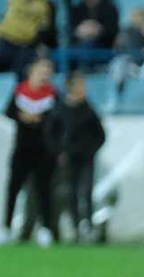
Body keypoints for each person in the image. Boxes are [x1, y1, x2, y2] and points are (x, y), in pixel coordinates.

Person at [0, 57, 59, 246]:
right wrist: (22, 116)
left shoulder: (53, 95)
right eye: (42, 70)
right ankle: (5, 228)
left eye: (48, 71)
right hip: (22, 148)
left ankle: (46, 229)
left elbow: (57, 118)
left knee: (44, 191)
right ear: (32, 71)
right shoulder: (20, 92)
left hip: (44, 150)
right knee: (13, 189)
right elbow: (8, 111)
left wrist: (40, 118)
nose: (45, 75)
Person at [45, 70, 107, 244]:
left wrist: (90, 150)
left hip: (86, 158)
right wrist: (59, 152)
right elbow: (50, 134)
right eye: (80, 85)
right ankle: (75, 225)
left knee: (86, 191)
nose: (83, 89)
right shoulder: (60, 109)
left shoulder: (88, 109)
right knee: (70, 192)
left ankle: (87, 225)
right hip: (68, 159)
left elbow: (100, 135)